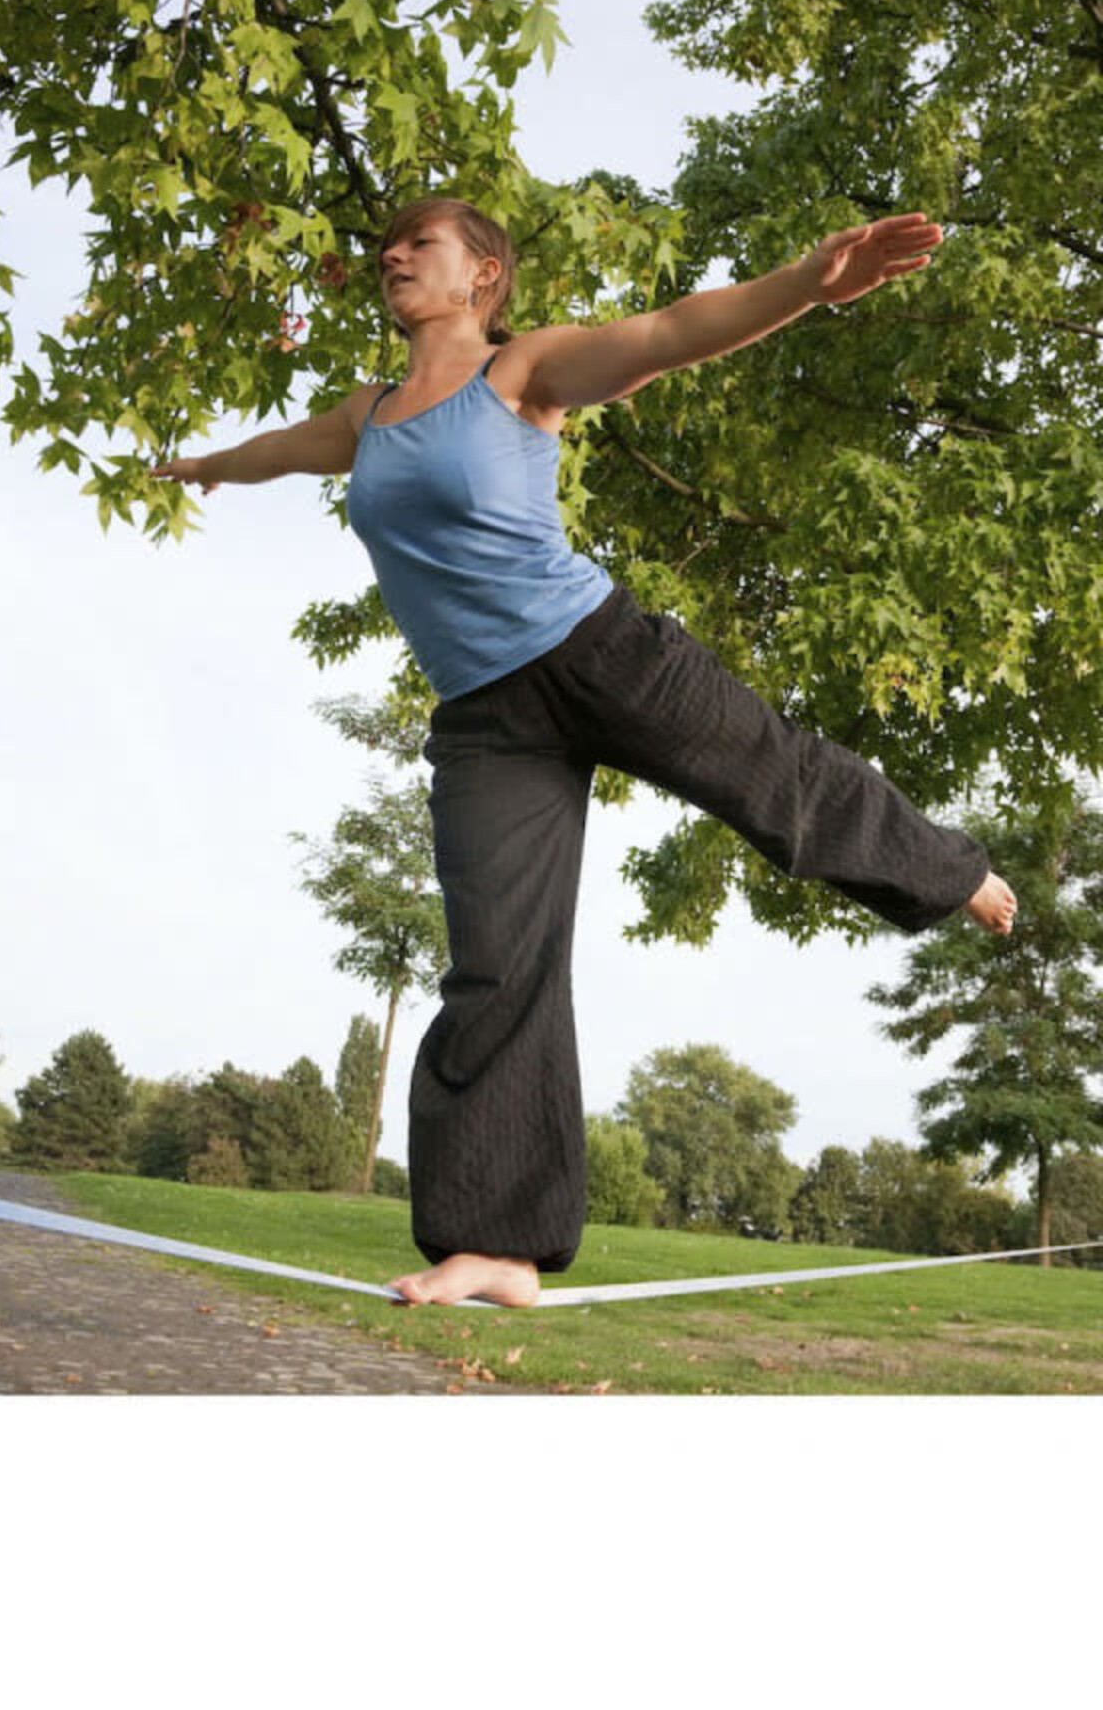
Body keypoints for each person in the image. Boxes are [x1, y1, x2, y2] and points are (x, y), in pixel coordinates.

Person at [152, 197, 1017, 1309]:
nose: (395, 255)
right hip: (485, 716)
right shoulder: (365, 415)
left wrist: (807, 281)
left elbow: (668, 332)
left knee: (777, 784)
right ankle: (498, 1247)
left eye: (424, 243)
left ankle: (953, 870)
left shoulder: (524, 372)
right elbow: (284, 449)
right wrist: (212, 465)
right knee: (495, 961)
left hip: (598, 651)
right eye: (390, 245)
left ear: (485, 277)